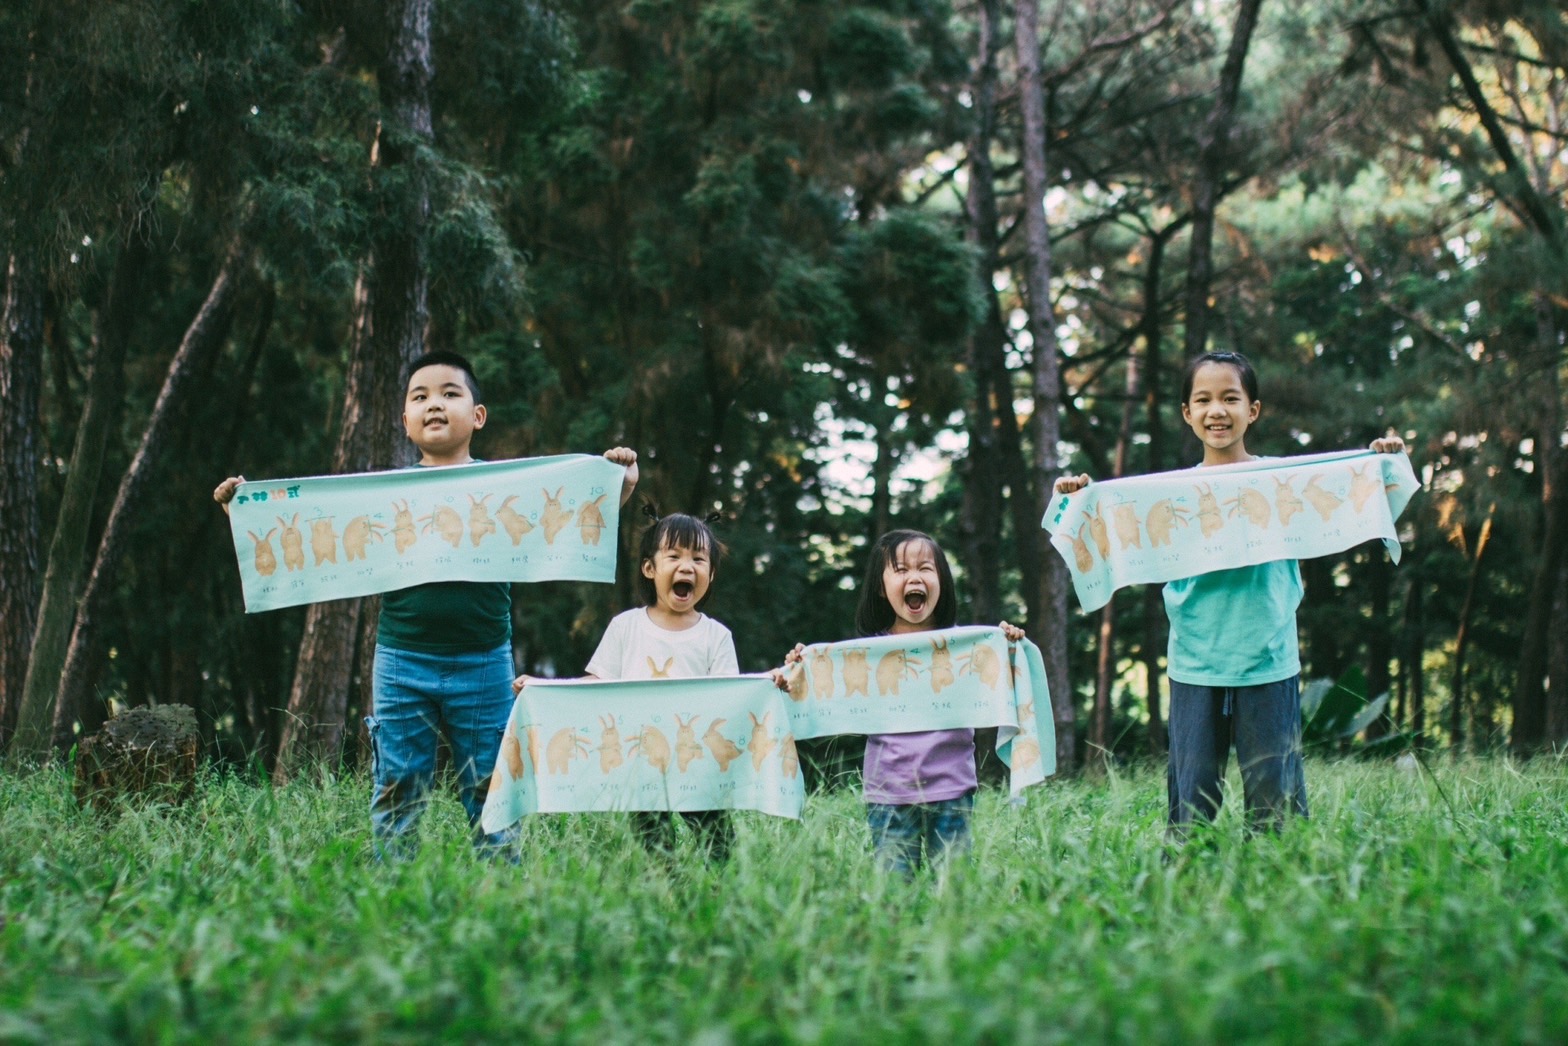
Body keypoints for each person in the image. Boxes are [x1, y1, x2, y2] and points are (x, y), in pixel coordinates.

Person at [215, 350, 639, 859]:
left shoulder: (508, 487)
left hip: (484, 661)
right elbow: (303, 532)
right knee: (398, 784)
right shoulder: (384, 495)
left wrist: (620, 485)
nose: (433, 404)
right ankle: (393, 884)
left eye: (449, 393)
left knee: (491, 787)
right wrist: (244, 511)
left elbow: (571, 518)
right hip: (401, 662)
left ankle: (501, 888)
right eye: (420, 397)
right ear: (405, 421)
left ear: (477, 416)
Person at [1054, 350, 1405, 838]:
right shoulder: (1168, 493)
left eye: (1230, 398)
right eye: (1203, 400)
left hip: (1269, 659)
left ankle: (1277, 885)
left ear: (1253, 410)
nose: (1216, 410)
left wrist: (1379, 462)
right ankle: (1188, 886)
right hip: (1195, 662)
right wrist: (1080, 495)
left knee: (1274, 803)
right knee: (1191, 806)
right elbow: (1104, 515)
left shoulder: (1281, 481)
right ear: (1187, 414)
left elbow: (1354, 489)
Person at [785, 529, 1023, 877]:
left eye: (925, 568)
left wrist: (1009, 647)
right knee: (894, 897)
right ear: (882, 588)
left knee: (954, 890)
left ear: (941, 580)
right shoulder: (866, 655)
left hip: (952, 790)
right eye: (900, 569)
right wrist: (802, 668)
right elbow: (819, 694)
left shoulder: (966, 647)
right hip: (888, 795)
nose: (914, 577)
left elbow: (1003, 683)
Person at [514, 505, 738, 860]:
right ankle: (665, 896)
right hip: (640, 764)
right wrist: (544, 688)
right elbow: (597, 686)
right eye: (674, 556)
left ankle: (720, 897)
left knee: (718, 843)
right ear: (649, 568)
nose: (686, 567)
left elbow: (732, 698)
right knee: (655, 846)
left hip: (697, 764)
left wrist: (772, 682)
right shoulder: (626, 627)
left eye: (698, 559)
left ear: (710, 575)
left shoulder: (716, 636)